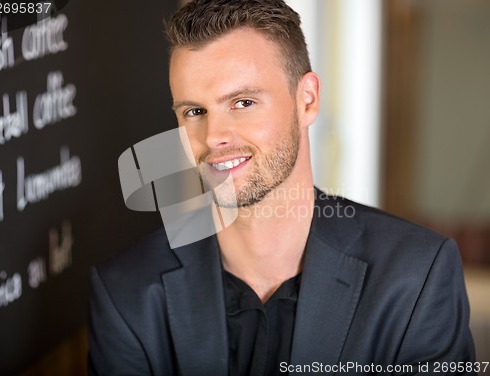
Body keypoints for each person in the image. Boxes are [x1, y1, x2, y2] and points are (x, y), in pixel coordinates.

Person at [88, 0, 476, 374]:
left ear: (307, 100)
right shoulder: (127, 294)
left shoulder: (416, 276)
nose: (214, 137)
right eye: (194, 111)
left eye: (242, 102)